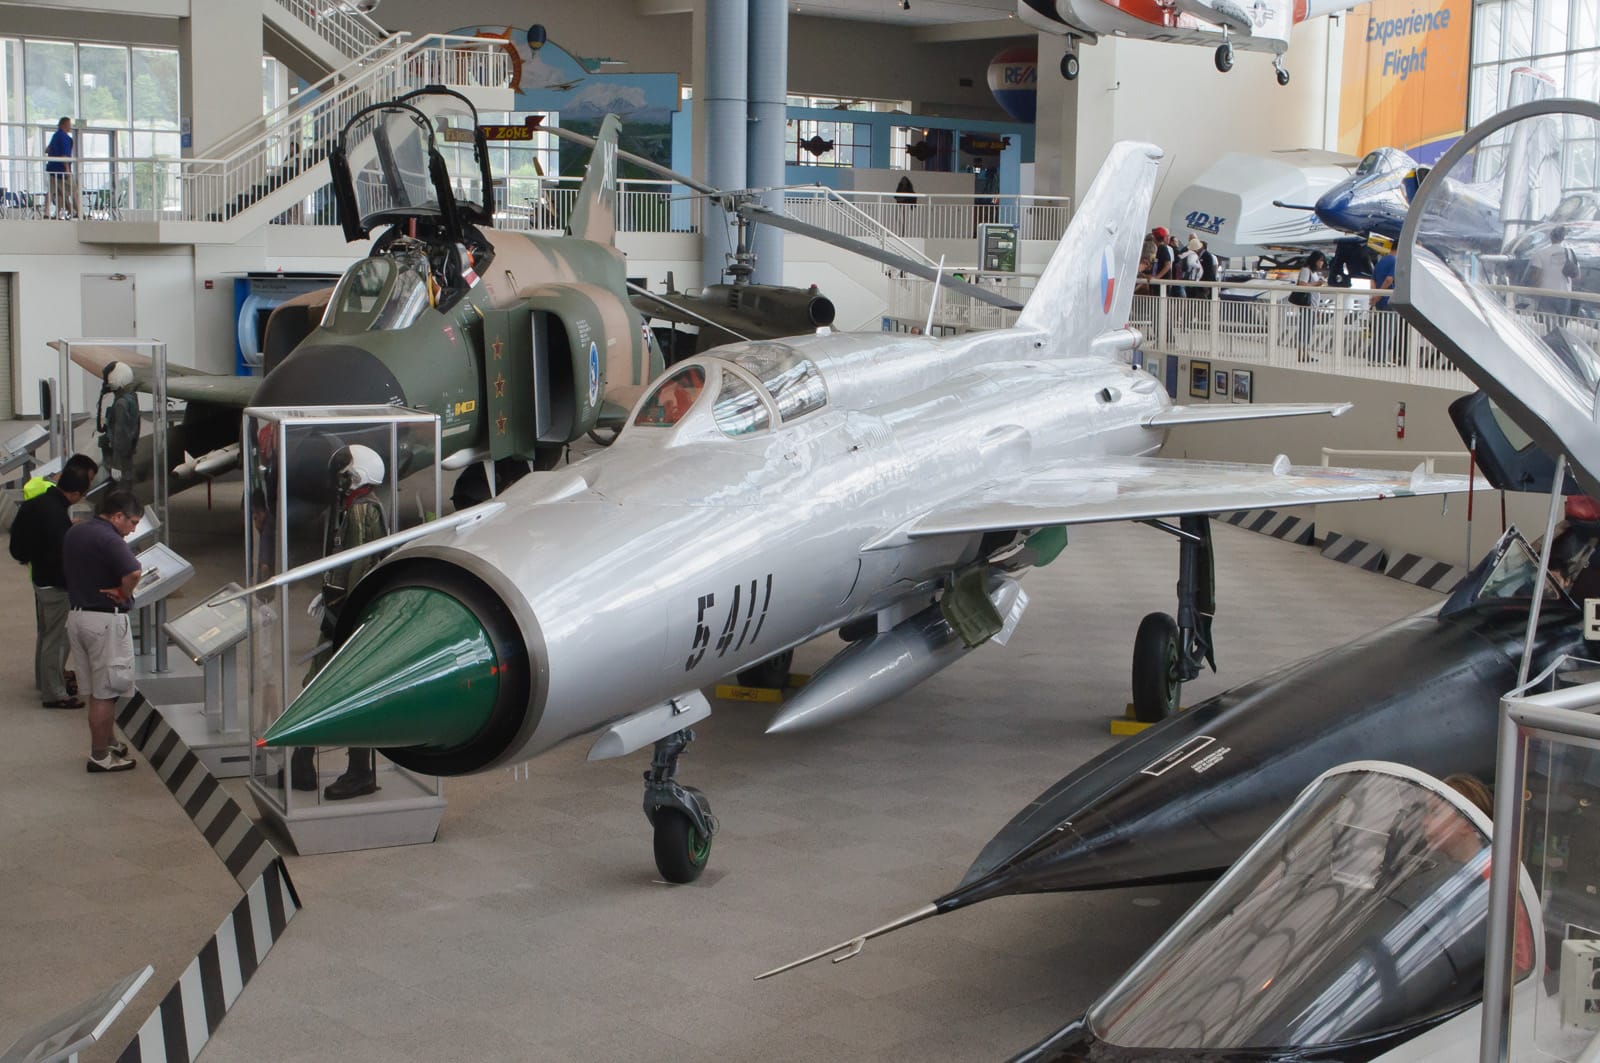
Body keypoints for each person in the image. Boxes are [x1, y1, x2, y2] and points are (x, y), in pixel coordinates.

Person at [304, 444, 390, 800]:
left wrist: (342, 609)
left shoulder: (362, 511)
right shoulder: (352, 509)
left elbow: (360, 565)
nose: (338, 479)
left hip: (348, 617)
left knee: (346, 689)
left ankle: (359, 772)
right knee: (314, 684)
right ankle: (301, 762)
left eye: (344, 472)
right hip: (340, 610)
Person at [63, 490, 143, 773]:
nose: (133, 529)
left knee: (95, 691)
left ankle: (109, 743)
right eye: (132, 522)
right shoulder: (110, 538)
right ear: (117, 516)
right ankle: (100, 755)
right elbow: (134, 571)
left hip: (77, 616)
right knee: (106, 693)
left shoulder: (77, 532)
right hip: (104, 621)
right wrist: (124, 592)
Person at [10, 455, 99, 708]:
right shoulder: (56, 515)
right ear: (76, 493)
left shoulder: (39, 503)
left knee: (46, 634)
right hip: (55, 585)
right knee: (58, 639)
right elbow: (61, 552)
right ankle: (55, 693)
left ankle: (45, 681)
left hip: (38, 578)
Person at [97, 361, 140, 487]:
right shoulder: (131, 398)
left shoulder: (121, 404)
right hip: (125, 457)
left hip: (119, 459)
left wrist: (117, 464)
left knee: (119, 493)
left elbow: (120, 435)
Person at [1529, 225, 1578, 317]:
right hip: (1564, 293)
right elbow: (1577, 275)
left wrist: (1533, 291)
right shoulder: (1570, 253)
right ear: (1563, 238)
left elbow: (1536, 276)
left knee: (1548, 322)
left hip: (1546, 293)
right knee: (1561, 323)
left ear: (1551, 237)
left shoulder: (1540, 253)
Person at [1290, 250, 1328, 358]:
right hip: (1307, 304)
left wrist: (1317, 308)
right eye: (1320, 260)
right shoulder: (1306, 270)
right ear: (1314, 260)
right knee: (1305, 328)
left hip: (1313, 305)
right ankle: (1301, 353)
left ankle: (1305, 353)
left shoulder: (1314, 272)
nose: (1322, 263)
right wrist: (1317, 283)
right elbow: (1302, 284)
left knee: (1308, 329)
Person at [44, 117, 74, 220]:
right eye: (69, 125)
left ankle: (49, 213)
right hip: (60, 170)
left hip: (52, 169)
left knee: (55, 191)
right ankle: (76, 212)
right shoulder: (64, 138)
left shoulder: (55, 136)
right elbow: (65, 156)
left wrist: (53, 153)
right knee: (73, 191)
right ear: (65, 125)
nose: (70, 127)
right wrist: (67, 170)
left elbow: (47, 149)